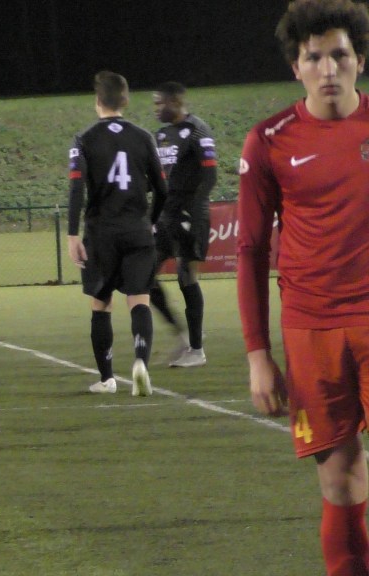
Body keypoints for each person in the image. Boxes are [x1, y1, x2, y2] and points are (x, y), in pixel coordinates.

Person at [238, 2, 369, 574]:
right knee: (339, 479)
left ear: (360, 60)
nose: (328, 69)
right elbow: (249, 251)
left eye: (339, 54)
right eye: (314, 57)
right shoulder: (269, 140)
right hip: (311, 331)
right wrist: (258, 355)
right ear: (296, 67)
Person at [66, 71, 167, 396]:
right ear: (125, 100)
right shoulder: (143, 137)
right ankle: (140, 363)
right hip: (137, 231)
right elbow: (162, 189)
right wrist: (150, 221)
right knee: (139, 300)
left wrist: (72, 235)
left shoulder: (84, 139)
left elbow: (76, 189)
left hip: (101, 233)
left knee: (101, 303)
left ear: (98, 101)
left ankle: (107, 378)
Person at [150, 82, 217, 368]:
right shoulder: (162, 135)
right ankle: (183, 335)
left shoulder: (198, 130)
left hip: (190, 215)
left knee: (186, 277)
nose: (156, 109)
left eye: (159, 103)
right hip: (165, 217)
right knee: (142, 276)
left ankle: (197, 351)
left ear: (175, 102)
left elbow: (210, 176)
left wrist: (191, 210)